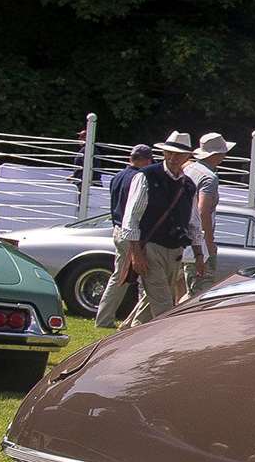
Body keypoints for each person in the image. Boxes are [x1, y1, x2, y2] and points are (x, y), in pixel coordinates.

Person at [114, 133, 204, 327]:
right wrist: (136, 253)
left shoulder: (188, 185)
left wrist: (198, 255)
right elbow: (131, 218)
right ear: (163, 152)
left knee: (155, 296)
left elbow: (194, 222)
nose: (172, 158)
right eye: (169, 153)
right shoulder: (146, 176)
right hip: (150, 247)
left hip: (175, 250)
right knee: (163, 301)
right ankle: (168, 337)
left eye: (178, 154)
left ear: (187, 156)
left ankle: (129, 332)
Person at [93, 144, 154, 328]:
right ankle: (105, 319)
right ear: (144, 160)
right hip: (130, 232)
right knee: (124, 276)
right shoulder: (139, 178)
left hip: (118, 228)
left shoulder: (118, 176)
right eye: (150, 159)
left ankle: (107, 317)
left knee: (122, 275)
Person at [182, 132, 232, 292]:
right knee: (201, 289)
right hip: (198, 242)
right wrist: (209, 244)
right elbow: (203, 211)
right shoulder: (209, 177)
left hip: (181, 236)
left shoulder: (189, 169)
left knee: (184, 288)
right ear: (217, 154)